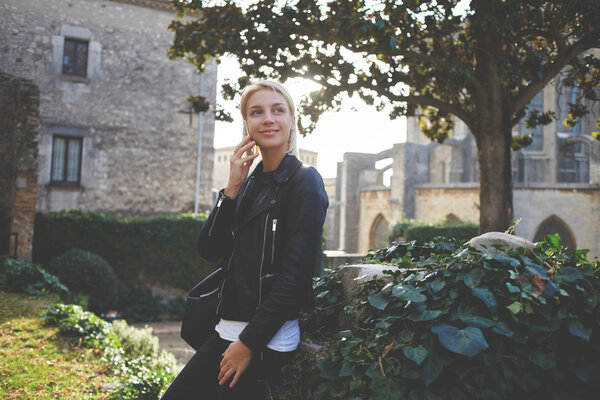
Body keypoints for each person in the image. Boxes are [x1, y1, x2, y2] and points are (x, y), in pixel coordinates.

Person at [161, 80, 328, 399]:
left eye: (278, 110)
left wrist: (249, 343)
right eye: (257, 112)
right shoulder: (251, 183)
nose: (268, 118)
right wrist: (232, 188)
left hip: (265, 341)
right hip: (228, 331)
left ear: (292, 121)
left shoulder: (305, 182)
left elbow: (297, 275)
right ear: (247, 124)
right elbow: (210, 250)